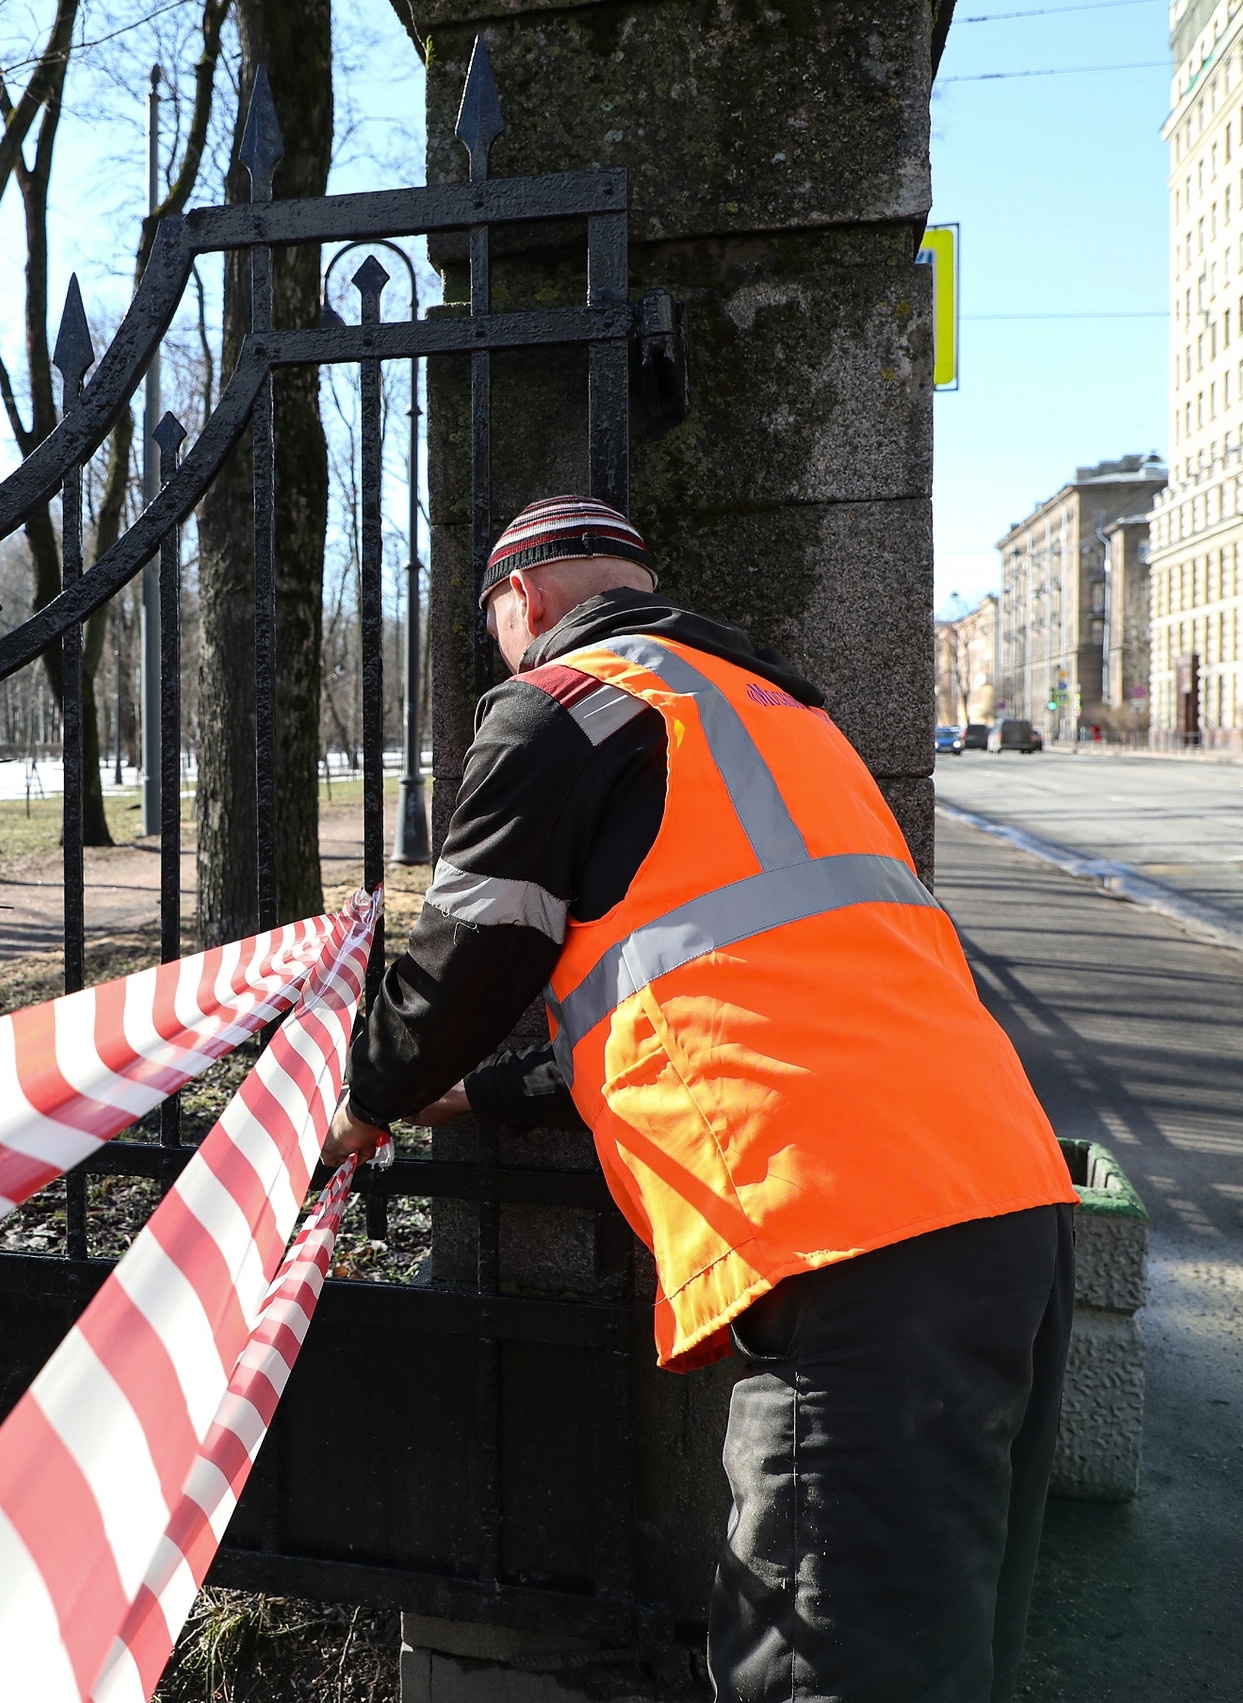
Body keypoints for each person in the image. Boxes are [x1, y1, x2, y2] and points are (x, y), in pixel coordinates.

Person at [323, 496, 1078, 1703]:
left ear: (520, 600)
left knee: (824, 1670)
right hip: (1003, 1202)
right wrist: (485, 1091)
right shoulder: (782, 717)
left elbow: (466, 951)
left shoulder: (563, 702)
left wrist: (361, 1099)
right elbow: (723, 993)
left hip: (854, 1243)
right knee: (943, 1657)